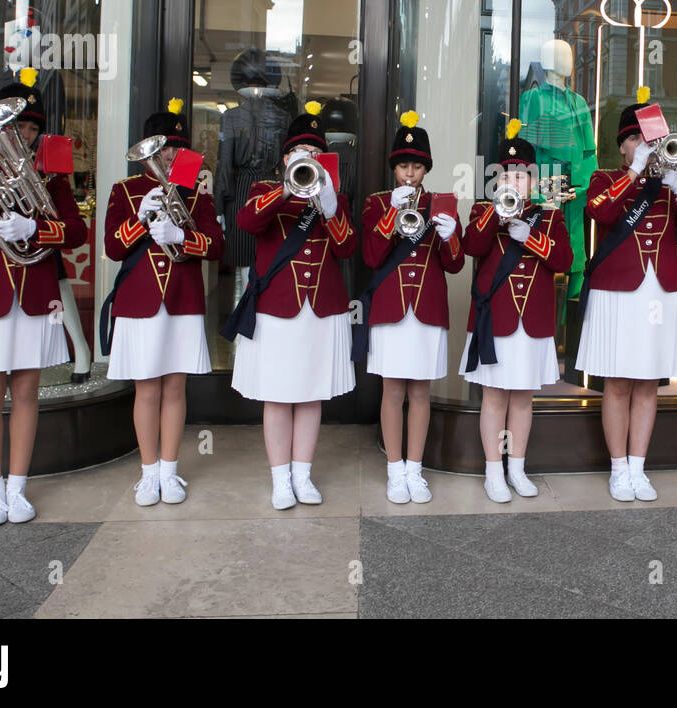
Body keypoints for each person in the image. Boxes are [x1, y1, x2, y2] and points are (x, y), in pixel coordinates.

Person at [0, 68, 88, 526]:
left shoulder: (50, 171)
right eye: (15, 126)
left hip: (34, 288)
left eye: (29, 127)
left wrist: (35, 228)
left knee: (27, 391)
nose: (23, 134)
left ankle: (17, 488)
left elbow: (76, 231)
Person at [575, 87, 677, 502]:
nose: (646, 147)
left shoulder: (668, 184)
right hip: (617, 293)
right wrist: (633, 173)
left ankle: (638, 466)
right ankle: (618, 468)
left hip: (659, 291)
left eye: (650, 141)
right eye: (636, 139)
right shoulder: (607, 178)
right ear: (623, 146)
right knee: (616, 382)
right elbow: (598, 211)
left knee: (648, 382)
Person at [226, 102, 357, 509]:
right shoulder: (265, 191)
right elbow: (247, 224)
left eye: (316, 155)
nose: (310, 161)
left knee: (311, 394)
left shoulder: (335, 197)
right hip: (277, 308)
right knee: (278, 396)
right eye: (302, 154)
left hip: (321, 306)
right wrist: (287, 188)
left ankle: (303, 474)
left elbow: (348, 248)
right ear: (286, 158)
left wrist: (332, 210)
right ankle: (280, 479)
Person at [102, 99, 224, 507]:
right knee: (146, 389)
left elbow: (215, 245)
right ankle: (148, 472)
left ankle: (170, 472)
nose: (169, 155)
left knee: (175, 387)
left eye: (175, 147)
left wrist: (181, 238)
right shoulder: (124, 190)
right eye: (161, 148)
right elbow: (113, 249)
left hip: (182, 298)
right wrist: (139, 218)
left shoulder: (196, 191)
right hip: (140, 299)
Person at [459, 119, 572, 503]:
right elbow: (471, 248)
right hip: (497, 320)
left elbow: (564, 260)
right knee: (494, 396)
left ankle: (518, 468)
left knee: (523, 397)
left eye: (522, 176)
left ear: (533, 179)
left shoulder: (550, 215)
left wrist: (532, 237)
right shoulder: (481, 210)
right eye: (506, 175)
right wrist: (496, 214)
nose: (514, 182)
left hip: (533, 322)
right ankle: (493, 472)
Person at [358, 111, 464, 504]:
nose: (409, 173)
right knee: (391, 390)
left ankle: (415, 470)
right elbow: (370, 256)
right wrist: (390, 212)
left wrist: (452, 237)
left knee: (420, 392)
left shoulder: (443, 202)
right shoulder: (375, 204)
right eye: (403, 165)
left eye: (416, 166)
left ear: (425, 169)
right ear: (394, 167)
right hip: (390, 308)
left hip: (427, 308)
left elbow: (454, 264)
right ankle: (393, 469)